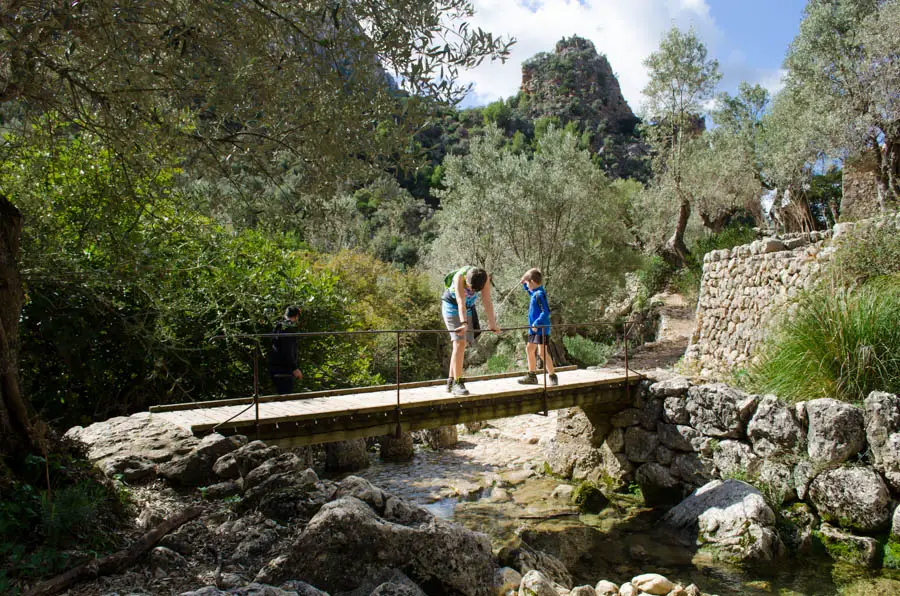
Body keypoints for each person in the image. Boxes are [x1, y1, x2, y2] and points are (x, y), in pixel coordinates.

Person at [442, 266, 499, 396]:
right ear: (466, 279)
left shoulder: (485, 279)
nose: (471, 290)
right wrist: (463, 323)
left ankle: (450, 381)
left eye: (474, 290)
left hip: (467, 308)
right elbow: (460, 301)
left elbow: (487, 301)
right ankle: (458, 382)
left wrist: (492, 323)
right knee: (459, 343)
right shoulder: (459, 278)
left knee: (462, 344)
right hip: (451, 306)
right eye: (469, 287)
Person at [517, 268, 558, 386]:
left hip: (541, 329)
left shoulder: (539, 294)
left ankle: (552, 376)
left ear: (533, 282)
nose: (526, 285)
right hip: (534, 329)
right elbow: (530, 291)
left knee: (542, 353)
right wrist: (524, 283)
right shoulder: (535, 292)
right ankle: (532, 376)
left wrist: (536, 323)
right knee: (529, 349)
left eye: (527, 283)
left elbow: (546, 312)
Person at [268, 305, 303, 394]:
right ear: (296, 316)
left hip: (274, 367)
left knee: (279, 397)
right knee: (286, 398)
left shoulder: (278, 327)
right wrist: (295, 368)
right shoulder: (288, 329)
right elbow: (287, 350)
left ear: (285, 315)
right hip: (284, 370)